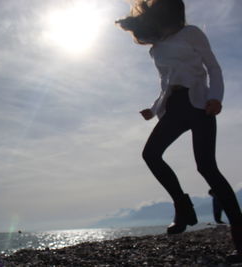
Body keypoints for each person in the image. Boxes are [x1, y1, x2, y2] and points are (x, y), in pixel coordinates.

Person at [116, 0, 242, 262]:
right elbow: (166, 83)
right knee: (151, 154)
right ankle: (182, 207)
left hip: (200, 104)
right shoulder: (157, 48)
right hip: (174, 107)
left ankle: (240, 235)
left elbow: (213, 67)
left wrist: (217, 98)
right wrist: (153, 109)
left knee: (207, 168)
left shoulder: (192, 33)